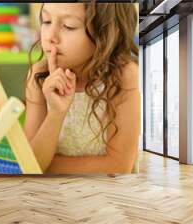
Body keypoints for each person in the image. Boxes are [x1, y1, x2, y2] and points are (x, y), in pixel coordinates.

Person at [24, 2, 140, 174]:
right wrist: (56, 113)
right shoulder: (39, 76)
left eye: (68, 26)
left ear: (106, 33)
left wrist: (46, 167)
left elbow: (119, 166)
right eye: (47, 21)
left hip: (109, 195)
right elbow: (28, 163)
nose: (51, 36)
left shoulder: (124, 77)